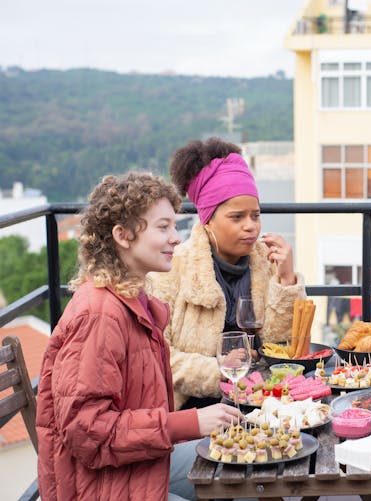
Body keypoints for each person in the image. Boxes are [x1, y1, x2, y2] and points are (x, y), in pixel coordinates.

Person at [35, 173, 243, 501]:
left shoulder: (129, 301)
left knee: (240, 463)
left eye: (175, 226)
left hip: (130, 465)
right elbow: (87, 432)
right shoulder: (100, 314)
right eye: (163, 227)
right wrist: (189, 423)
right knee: (236, 468)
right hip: (101, 487)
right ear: (123, 235)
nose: (176, 238)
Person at [150, 138, 305, 410]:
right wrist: (218, 369)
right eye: (237, 217)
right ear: (207, 219)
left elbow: (284, 349)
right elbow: (158, 356)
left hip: (263, 400)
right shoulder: (173, 269)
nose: (251, 227)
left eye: (255, 215)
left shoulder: (265, 260)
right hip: (196, 408)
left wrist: (286, 280)